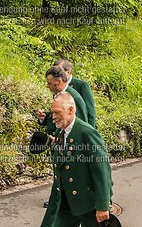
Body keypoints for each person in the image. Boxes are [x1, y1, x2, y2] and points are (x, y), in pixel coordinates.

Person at [41, 92, 113, 226]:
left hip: (87, 203)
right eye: (52, 113)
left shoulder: (87, 132)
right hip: (65, 202)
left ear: (71, 110)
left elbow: (102, 170)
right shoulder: (59, 132)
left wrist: (103, 205)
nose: (54, 117)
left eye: (57, 113)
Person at [54, 59, 96, 128]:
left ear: (68, 72)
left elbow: (90, 112)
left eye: (59, 72)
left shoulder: (81, 85)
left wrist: (89, 131)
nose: (56, 75)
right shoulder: (56, 86)